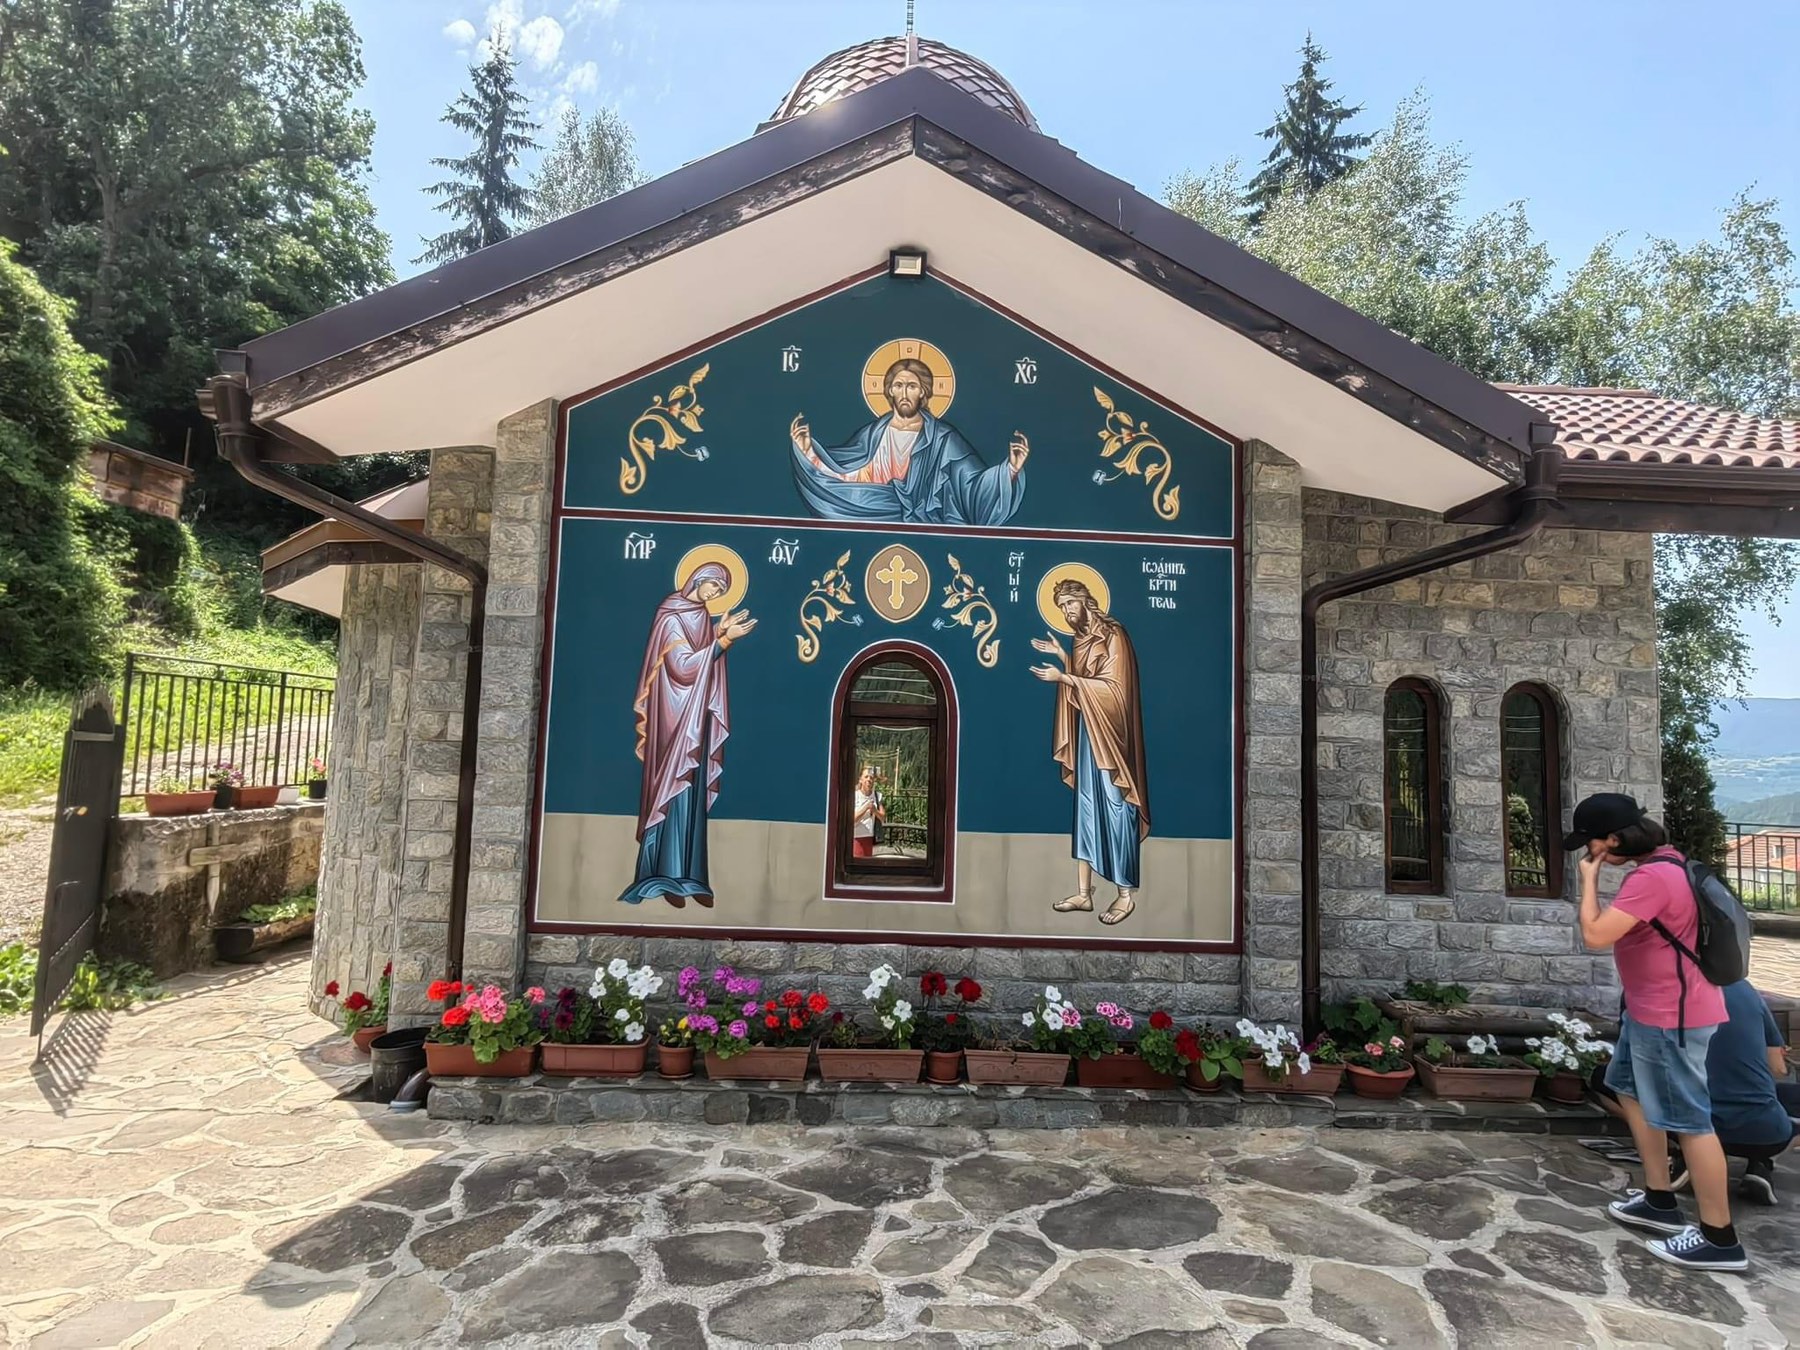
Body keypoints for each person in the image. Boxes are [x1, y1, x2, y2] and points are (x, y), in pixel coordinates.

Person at [1566, 792, 1744, 1270]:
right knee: (1629, 1090)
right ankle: (1659, 1199)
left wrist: (1588, 882)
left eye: (1592, 843)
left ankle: (1719, 1239)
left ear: (1614, 840)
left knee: (1690, 1121)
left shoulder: (1652, 878)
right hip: (1652, 1011)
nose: (1589, 852)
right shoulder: (1668, 865)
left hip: (1671, 1018)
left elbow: (1596, 935)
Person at [618, 562, 756, 908]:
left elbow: (705, 662)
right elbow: (682, 667)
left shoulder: (702, 617)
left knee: (692, 796)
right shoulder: (671, 615)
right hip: (673, 720)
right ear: (698, 580)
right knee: (672, 790)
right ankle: (662, 877)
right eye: (715, 587)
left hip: (697, 720)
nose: (716, 594)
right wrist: (724, 639)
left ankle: (691, 878)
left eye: (721, 591)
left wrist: (719, 633)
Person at [1593, 979, 1797, 1204]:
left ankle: (1682, 1155)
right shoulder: (1746, 990)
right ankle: (1760, 1163)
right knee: (1777, 1099)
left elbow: (1637, 1058)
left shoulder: (1647, 985)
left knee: (1605, 1080)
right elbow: (1777, 1068)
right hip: (1765, 1133)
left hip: (1689, 1121)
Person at [1029, 578, 1150, 926]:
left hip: (1111, 738)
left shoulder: (1114, 636)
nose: (1066, 612)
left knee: (1117, 807)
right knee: (1085, 806)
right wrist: (1063, 656)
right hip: (1087, 733)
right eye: (1061, 607)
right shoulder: (1079, 639)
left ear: (1086, 601)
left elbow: (1114, 690)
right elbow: (1085, 681)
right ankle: (1084, 893)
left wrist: (1063, 678)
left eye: (1070, 604)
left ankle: (1125, 895)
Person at [791, 357, 1028, 525]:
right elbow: (847, 476)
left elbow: (971, 486)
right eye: (898, 385)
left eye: (912, 386)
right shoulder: (871, 435)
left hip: (925, 523)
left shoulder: (944, 439)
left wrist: (1010, 470)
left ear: (923, 392)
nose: (904, 393)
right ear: (890, 391)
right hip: (875, 513)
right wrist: (808, 452)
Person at [851, 765, 885, 859]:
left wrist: (875, 810)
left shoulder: (877, 796)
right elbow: (852, 819)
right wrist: (865, 808)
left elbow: (883, 817)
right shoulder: (854, 796)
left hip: (869, 837)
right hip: (856, 837)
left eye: (871, 777)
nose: (869, 779)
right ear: (860, 780)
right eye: (866, 777)